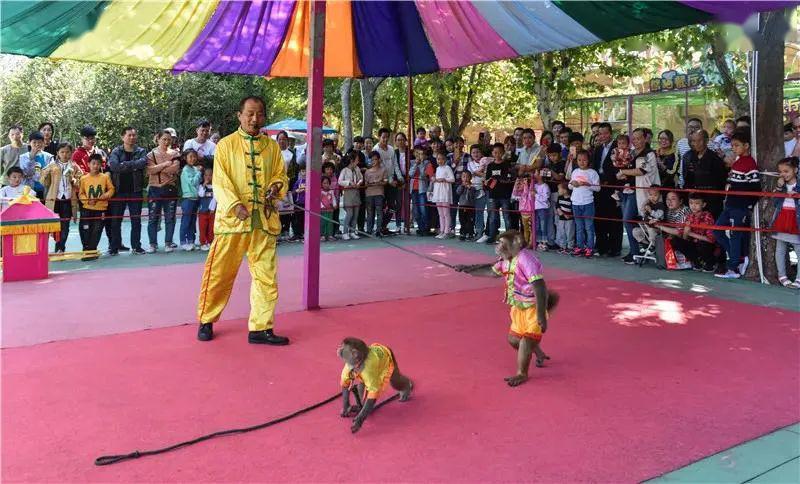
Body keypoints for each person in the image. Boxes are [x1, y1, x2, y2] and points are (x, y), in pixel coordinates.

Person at [196, 96, 290, 345]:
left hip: (264, 221)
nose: (254, 119)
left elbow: (280, 175)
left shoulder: (272, 148)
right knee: (220, 273)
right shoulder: (225, 146)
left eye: (259, 114)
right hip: (232, 223)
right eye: (249, 113)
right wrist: (234, 204)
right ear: (239, 115)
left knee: (266, 276)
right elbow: (220, 181)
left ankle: (261, 327)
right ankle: (206, 319)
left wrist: (275, 187)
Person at [454, 231, 558, 387]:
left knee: (526, 340)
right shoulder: (506, 260)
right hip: (518, 306)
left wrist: (541, 315)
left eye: (501, 243)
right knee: (514, 340)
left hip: (533, 308)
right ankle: (539, 353)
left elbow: (540, 287)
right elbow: (491, 270)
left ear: (516, 242)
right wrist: (467, 269)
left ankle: (522, 373)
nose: (498, 247)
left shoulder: (526, 259)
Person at [338, 337, 413, 434]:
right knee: (362, 391)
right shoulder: (349, 364)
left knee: (395, 382)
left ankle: (406, 385)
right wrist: (345, 405)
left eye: (343, 348)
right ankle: (361, 402)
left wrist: (360, 419)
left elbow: (372, 397)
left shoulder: (368, 370)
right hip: (363, 364)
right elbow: (345, 384)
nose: (340, 350)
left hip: (385, 358)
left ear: (354, 354)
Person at [713, 130, 761, 279]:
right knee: (717, 231)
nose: (733, 148)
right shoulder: (738, 161)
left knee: (735, 235)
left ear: (746, 145)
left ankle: (733, 268)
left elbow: (755, 187)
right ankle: (739, 257)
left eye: (737, 145)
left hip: (740, 206)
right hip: (730, 204)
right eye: (732, 145)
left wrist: (748, 205)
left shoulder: (750, 163)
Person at [617, 128, 660, 264]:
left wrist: (624, 171)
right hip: (631, 191)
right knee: (630, 220)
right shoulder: (631, 153)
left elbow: (641, 170)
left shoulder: (649, 154)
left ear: (645, 138)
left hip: (646, 193)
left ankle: (644, 248)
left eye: (639, 138)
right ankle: (636, 250)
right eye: (634, 139)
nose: (636, 141)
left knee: (638, 220)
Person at [107, 127, 148, 255]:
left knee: (136, 220)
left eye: (134, 135)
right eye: (129, 135)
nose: (132, 137)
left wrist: (124, 164)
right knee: (116, 220)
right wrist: (132, 165)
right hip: (119, 191)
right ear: (122, 137)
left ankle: (136, 246)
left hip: (135, 190)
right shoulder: (116, 151)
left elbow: (142, 163)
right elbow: (114, 166)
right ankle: (115, 247)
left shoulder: (141, 151)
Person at [41, 141, 81, 253]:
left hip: (68, 199)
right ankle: (49, 247)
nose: (65, 154)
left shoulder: (74, 166)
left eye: (67, 152)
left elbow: (80, 180)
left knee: (65, 225)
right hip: (54, 199)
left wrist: (74, 180)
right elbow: (44, 182)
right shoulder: (52, 166)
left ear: (71, 153)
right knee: (52, 225)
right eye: (62, 152)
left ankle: (61, 247)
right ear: (57, 153)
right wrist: (44, 174)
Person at [146, 129, 180, 253]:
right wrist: (166, 164)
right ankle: (152, 244)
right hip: (154, 188)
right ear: (158, 139)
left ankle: (168, 243)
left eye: (169, 139)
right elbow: (149, 170)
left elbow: (175, 169)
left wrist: (158, 168)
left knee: (170, 217)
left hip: (170, 189)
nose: (166, 142)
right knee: (153, 217)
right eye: (164, 139)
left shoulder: (175, 153)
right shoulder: (151, 154)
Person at [769, 157, 800, 288]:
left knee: (798, 249)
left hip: (796, 218)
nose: (783, 174)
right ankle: (782, 276)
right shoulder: (780, 184)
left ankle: (798, 278)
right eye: (781, 171)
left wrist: (797, 195)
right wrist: (779, 187)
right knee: (780, 248)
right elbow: (775, 202)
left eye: (786, 171)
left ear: (796, 170)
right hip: (782, 217)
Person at [683, 129, 727, 218]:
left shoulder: (715, 158)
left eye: (700, 140)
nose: (696, 143)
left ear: (706, 141)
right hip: (695, 199)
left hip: (712, 199)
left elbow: (722, 180)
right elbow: (686, 178)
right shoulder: (688, 156)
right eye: (694, 141)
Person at [592, 123, 621, 257]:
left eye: (605, 133)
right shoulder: (597, 149)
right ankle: (601, 246)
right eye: (600, 134)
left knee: (614, 217)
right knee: (599, 217)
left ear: (610, 133)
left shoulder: (618, 148)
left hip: (612, 186)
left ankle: (614, 247)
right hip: (599, 187)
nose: (603, 136)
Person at [78, 154, 115, 258]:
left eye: (98, 164)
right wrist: (86, 201)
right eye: (93, 163)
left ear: (101, 165)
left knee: (97, 230)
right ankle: (86, 249)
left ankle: (92, 251)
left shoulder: (105, 177)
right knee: (85, 229)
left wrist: (104, 196)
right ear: (88, 164)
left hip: (101, 208)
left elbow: (111, 189)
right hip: (86, 208)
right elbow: (81, 193)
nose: (95, 166)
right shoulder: (83, 178)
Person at [671, 192, 717, 272]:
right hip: (694, 244)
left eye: (697, 203)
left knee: (703, 245)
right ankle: (697, 262)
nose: (693, 206)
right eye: (691, 203)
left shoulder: (707, 216)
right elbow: (685, 238)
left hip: (707, 246)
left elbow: (711, 239)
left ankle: (710, 263)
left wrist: (691, 233)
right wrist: (686, 232)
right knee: (675, 241)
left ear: (703, 205)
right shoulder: (689, 216)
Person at [569, 149, 600, 258]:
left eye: (584, 160)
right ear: (576, 161)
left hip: (588, 203)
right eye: (579, 160)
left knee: (589, 227)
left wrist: (587, 184)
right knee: (579, 227)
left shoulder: (593, 172)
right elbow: (569, 186)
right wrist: (573, 184)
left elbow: (598, 188)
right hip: (575, 202)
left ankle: (590, 247)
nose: (582, 162)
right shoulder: (575, 172)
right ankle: (580, 246)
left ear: (589, 161)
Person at [484, 143, 514, 243]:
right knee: (493, 216)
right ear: (492, 153)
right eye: (495, 152)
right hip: (493, 194)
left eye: (499, 152)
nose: (497, 154)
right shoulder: (490, 165)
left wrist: (502, 180)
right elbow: (487, 179)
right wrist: (487, 181)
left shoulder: (506, 164)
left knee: (507, 217)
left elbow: (509, 178)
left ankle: (509, 238)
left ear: (503, 153)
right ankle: (493, 236)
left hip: (505, 194)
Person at [180, 149, 203, 251]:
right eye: (190, 156)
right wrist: (198, 172)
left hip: (195, 198)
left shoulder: (194, 168)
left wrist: (198, 172)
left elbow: (199, 182)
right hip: (188, 198)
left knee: (192, 221)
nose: (193, 158)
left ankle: (191, 241)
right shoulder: (185, 170)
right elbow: (193, 182)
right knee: (186, 221)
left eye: (194, 156)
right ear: (185, 158)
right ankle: (183, 241)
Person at [338, 150, 364, 240]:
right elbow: (340, 181)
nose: (358, 162)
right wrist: (349, 183)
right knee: (349, 213)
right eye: (357, 160)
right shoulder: (344, 170)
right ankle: (345, 232)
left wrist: (359, 182)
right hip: (348, 193)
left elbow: (361, 178)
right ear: (352, 160)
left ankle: (352, 231)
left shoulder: (357, 169)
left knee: (356, 214)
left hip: (356, 192)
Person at [19, 131, 53, 199]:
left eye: (40, 142)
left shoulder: (48, 157)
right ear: (29, 142)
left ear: (43, 143)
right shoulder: (23, 157)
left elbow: (52, 172)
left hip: (44, 189)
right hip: (28, 190)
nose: (37, 144)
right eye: (34, 142)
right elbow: (24, 173)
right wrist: (32, 157)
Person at [409, 146, 434, 236]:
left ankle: (426, 228)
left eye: (421, 154)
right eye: (417, 153)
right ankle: (420, 227)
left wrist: (422, 163)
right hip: (413, 189)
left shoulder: (427, 163)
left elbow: (424, 175)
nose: (419, 155)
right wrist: (416, 164)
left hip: (422, 189)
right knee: (416, 210)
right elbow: (410, 174)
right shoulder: (412, 162)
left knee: (423, 209)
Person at [430, 152, 455, 239]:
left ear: (445, 160)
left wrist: (444, 179)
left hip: (445, 192)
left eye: (442, 159)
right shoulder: (437, 169)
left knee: (446, 213)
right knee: (440, 213)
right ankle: (442, 230)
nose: (440, 161)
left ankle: (447, 231)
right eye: (438, 159)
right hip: (438, 192)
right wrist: (434, 180)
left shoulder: (447, 168)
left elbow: (452, 179)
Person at [468, 144, 489, 242]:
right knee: (478, 212)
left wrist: (480, 173)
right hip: (475, 191)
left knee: (490, 212)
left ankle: (489, 233)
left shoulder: (486, 161)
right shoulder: (470, 164)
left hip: (486, 189)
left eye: (478, 152)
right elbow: (472, 174)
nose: (476, 154)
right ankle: (479, 232)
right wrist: (482, 174)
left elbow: (487, 175)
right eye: (473, 152)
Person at [364, 151, 388, 237]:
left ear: (379, 160)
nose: (373, 161)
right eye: (372, 160)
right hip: (369, 194)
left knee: (379, 212)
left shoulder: (383, 170)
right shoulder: (367, 171)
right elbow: (366, 183)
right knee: (370, 213)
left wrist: (378, 182)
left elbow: (385, 182)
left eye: (375, 159)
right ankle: (369, 230)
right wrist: (371, 183)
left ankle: (379, 230)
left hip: (379, 193)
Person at [197, 167, 216, 251]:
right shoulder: (201, 186)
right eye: (206, 175)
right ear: (203, 176)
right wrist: (204, 184)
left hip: (212, 212)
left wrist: (213, 208)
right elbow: (200, 194)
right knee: (202, 228)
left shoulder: (215, 187)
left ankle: (210, 242)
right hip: (202, 211)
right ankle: (203, 243)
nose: (208, 177)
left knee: (211, 228)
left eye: (210, 175)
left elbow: (215, 199)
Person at [610, 133, 632, 202]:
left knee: (626, 177)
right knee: (618, 179)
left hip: (625, 166)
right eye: (619, 143)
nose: (621, 145)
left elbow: (630, 158)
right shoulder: (615, 150)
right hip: (617, 166)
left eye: (623, 143)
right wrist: (615, 157)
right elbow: (612, 157)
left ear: (628, 144)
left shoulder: (629, 151)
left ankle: (627, 187)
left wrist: (628, 158)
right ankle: (616, 192)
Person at [456, 171, 476, 240]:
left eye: (467, 177)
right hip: (462, 205)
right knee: (462, 220)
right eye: (463, 176)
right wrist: (462, 186)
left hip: (470, 206)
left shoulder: (473, 187)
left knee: (470, 220)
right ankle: (463, 233)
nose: (465, 178)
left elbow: (472, 196)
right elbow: (458, 192)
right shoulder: (460, 186)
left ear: (470, 178)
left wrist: (469, 188)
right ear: (461, 178)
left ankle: (470, 233)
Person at [555, 182, 574, 253]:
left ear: (565, 190)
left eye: (559, 189)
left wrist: (569, 215)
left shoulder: (571, 199)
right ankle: (563, 246)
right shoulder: (559, 197)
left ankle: (570, 247)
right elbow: (557, 206)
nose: (558, 191)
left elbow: (573, 209)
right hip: (561, 219)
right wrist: (560, 212)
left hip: (570, 220)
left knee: (570, 233)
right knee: (562, 232)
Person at [290, 166, 307, 241]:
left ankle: (304, 233)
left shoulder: (310, 181)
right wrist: (297, 191)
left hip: (306, 203)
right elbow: (293, 192)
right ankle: (297, 234)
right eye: (302, 171)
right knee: (297, 219)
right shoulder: (298, 181)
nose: (304, 173)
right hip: (298, 203)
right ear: (300, 172)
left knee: (305, 219)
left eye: (305, 171)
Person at [321, 176, 338, 242]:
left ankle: (330, 235)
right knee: (323, 222)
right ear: (321, 184)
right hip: (322, 211)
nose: (326, 184)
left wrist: (335, 205)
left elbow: (333, 199)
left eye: (327, 183)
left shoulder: (331, 191)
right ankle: (322, 235)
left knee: (330, 222)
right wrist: (323, 206)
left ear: (329, 183)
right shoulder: (320, 192)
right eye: (324, 183)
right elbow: (319, 201)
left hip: (330, 210)